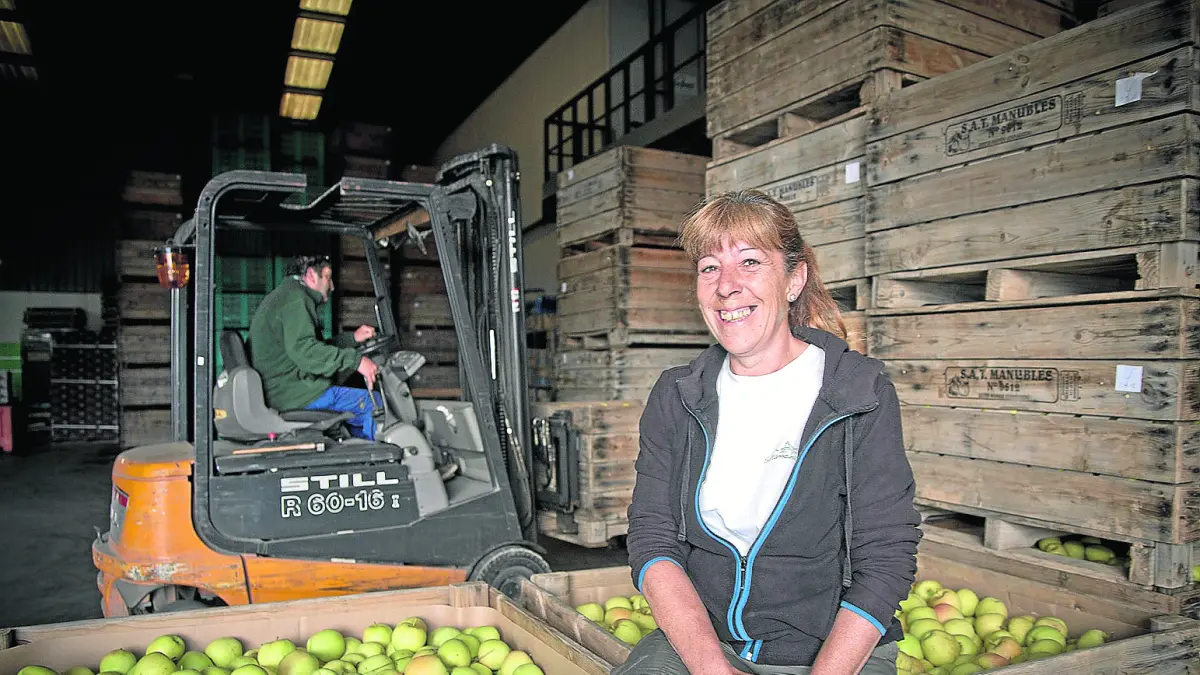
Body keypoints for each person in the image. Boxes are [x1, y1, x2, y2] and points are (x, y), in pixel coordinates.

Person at [617, 190, 922, 675]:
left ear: (794, 279)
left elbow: (886, 556)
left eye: (750, 262)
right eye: (709, 268)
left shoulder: (857, 393)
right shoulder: (677, 395)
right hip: (708, 644)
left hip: (830, 652)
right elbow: (653, 539)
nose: (727, 286)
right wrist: (713, 669)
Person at [248, 254, 383, 440]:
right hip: (295, 394)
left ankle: (358, 447)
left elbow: (310, 348)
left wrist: (353, 338)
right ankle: (376, 455)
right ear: (311, 275)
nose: (332, 286)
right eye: (327, 277)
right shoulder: (296, 299)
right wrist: (356, 361)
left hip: (285, 390)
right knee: (376, 404)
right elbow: (306, 352)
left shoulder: (286, 295)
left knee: (356, 409)